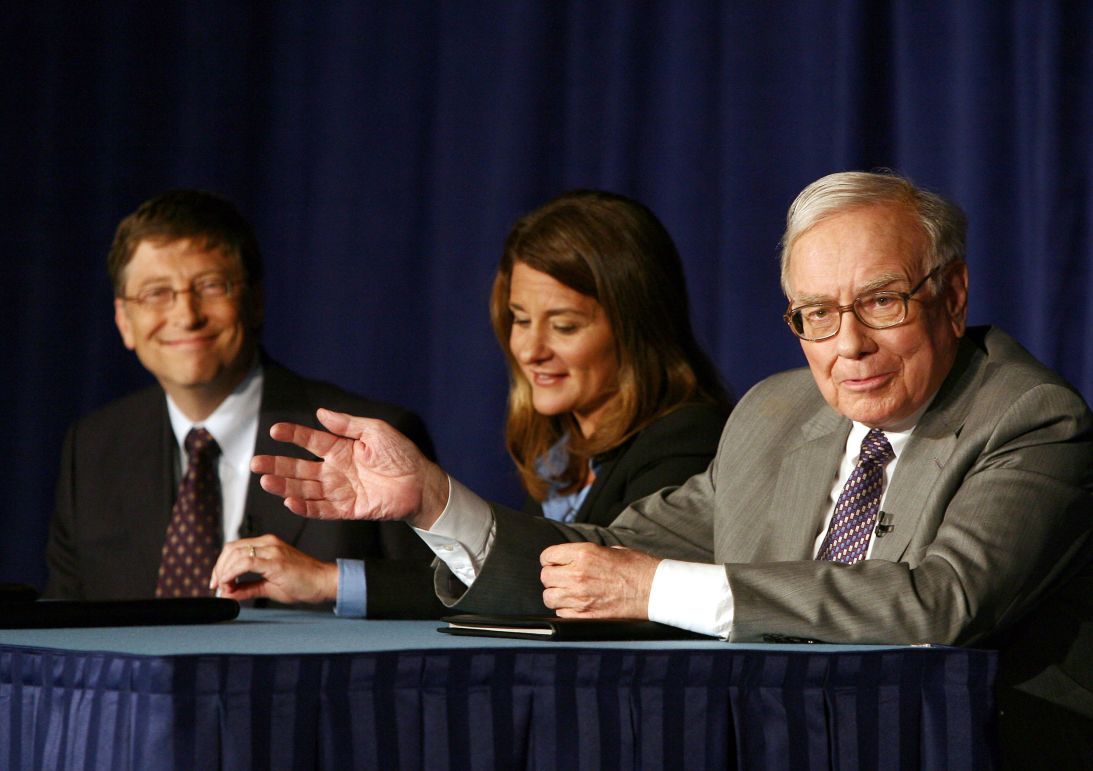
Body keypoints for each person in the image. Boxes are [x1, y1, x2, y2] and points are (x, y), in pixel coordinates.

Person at [250, 172, 1093, 765]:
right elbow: (605, 551)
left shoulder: (1031, 418)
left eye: (881, 301)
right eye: (816, 314)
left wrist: (654, 588)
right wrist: (435, 503)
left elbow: (935, 604)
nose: (848, 347)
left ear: (951, 295)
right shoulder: (775, 412)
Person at [211, 189, 731, 610]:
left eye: (565, 325)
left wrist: (339, 571)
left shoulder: (688, 441)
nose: (530, 349)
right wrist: (327, 580)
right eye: (520, 320)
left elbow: (565, 590)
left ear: (639, 328)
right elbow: (502, 576)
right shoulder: (567, 448)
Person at [45, 189, 445, 618]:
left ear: (255, 302)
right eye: (157, 293)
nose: (186, 315)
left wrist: (328, 579)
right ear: (125, 321)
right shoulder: (93, 448)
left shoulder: (364, 438)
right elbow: (64, 620)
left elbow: (450, 591)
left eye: (210, 286)